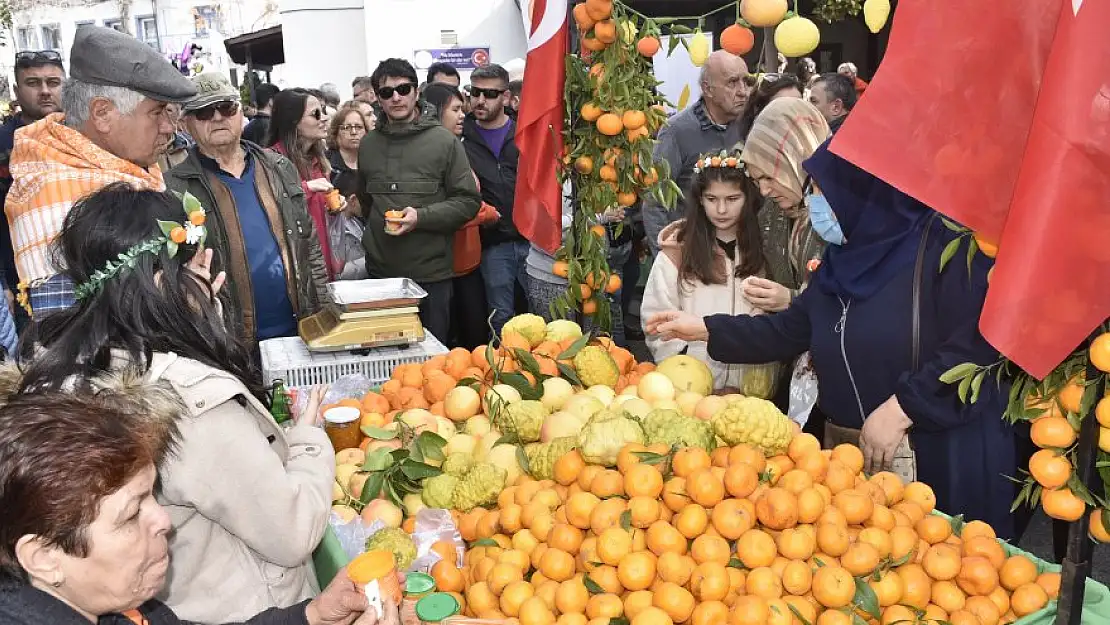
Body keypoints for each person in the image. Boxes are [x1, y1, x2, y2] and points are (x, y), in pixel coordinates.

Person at [645, 140, 1030, 540]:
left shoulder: (943, 250)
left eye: (820, 191)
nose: (813, 204)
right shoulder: (841, 261)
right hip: (865, 464)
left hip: (943, 457)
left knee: (951, 569)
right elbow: (788, 331)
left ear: (861, 189)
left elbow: (981, 344)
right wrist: (705, 328)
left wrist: (904, 408)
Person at [17, 184, 338, 621]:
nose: (212, 277)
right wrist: (309, 439)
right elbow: (292, 529)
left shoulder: (60, 373)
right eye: (199, 265)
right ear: (161, 282)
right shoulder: (188, 401)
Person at [0, 391, 400, 625]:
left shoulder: (117, 606)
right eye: (130, 514)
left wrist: (311, 616)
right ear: (43, 558)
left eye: (151, 497)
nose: (163, 522)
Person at [5, 25, 196, 318]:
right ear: (102, 114)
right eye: (157, 112)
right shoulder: (60, 206)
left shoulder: (123, 171)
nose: (169, 127)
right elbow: (70, 343)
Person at [166, 73, 329, 346]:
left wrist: (323, 312)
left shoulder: (279, 167)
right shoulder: (174, 187)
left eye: (226, 108)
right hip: (230, 340)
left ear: (240, 113)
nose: (218, 117)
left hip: (299, 331)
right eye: (205, 112)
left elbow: (309, 244)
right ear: (185, 123)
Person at [356, 59, 481, 342]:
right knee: (387, 366)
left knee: (431, 367)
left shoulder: (443, 141)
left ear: (416, 92)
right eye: (387, 92)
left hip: (430, 278)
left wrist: (420, 217)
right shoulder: (369, 144)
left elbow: (468, 201)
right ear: (377, 97)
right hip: (381, 277)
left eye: (403, 88)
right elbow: (367, 201)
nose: (396, 97)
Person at [641, 151, 778, 394]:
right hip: (691, 389)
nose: (722, 209)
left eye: (732, 198)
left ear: (749, 197)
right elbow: (656, 316)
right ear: (700, 200)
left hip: (750, 391)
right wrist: (685, 365)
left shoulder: (766, 247)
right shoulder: (678, 251)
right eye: (712, 199)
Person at [642, 50, 749, 254]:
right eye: (732, 83)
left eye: (746, 81)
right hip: (693, 252)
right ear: (707, 89)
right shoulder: (677, 131)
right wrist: (667, 259)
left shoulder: (750, 124)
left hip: (743, 252)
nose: (743, 91)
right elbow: (655, 202)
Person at [423, 83, 500, 348]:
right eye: (455, 109)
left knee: (475, 338)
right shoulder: (431, 154)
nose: (461, 116)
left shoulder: (457, 147)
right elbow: (447, 207)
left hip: (469, 262)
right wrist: (486, 213)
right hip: (445, 265)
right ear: (436, 112)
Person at [741, 98, 829, 306]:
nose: (764, 191)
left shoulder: (840, 214)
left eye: (770, 177)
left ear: (798, 160)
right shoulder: (771, 213)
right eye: (756, 180)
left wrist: (792, 300)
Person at [0, 50, 64, 314]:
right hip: (21, 283)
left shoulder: (83, 137)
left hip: (82, 274)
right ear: (16, 89)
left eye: (53, 82)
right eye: (33, 83)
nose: (45, 91)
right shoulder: (4, 143)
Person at [461, 64, 524, 336]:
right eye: (475, 92)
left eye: (490, 94)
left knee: (542, 314)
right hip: (492, 243)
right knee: (500, 320)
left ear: (506, 96)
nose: (480, 100)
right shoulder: (460, 140)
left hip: (532, 240)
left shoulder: (525, 133)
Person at [267, 88, 346, 280]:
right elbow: (270, 202)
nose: (325, 118)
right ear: (293, 122)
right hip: (292, 267)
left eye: (324, 110)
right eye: (316, 114)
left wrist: (333, 208)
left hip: (321, 260)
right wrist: (307, 188)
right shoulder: (270, 159)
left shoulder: (318, 160)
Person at [734, 73, 804, 142]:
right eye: (782, 107)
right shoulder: (740, 151)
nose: (792, 115)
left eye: (798, 106)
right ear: (758, 111)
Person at [326, 102, 371, 201]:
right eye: (347, 128)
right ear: (335, 132)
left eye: (359, 127)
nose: (354, 132)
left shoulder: (373, 160)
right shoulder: (326, 162)